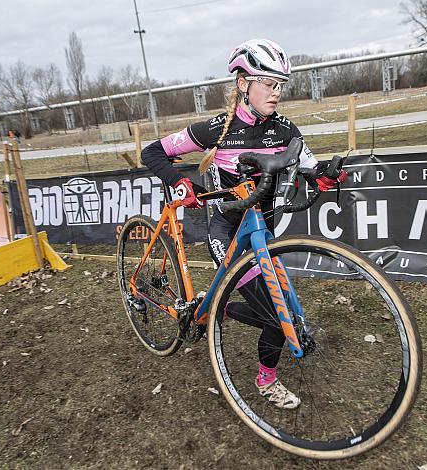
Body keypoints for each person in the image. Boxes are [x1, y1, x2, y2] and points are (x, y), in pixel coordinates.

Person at [142, 39, 347, 410]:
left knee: (281, 307)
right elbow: (152, 152)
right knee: (275, 315)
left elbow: (309, 167)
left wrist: (325, 176)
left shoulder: (286, 129)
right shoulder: (218, 128)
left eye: (280, 84)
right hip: (227, 232)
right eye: (268, 83)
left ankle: (218, 305)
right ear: (243, 84)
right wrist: (180, 182)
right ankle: (266, 380)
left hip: (263, 230)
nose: (277, 92)